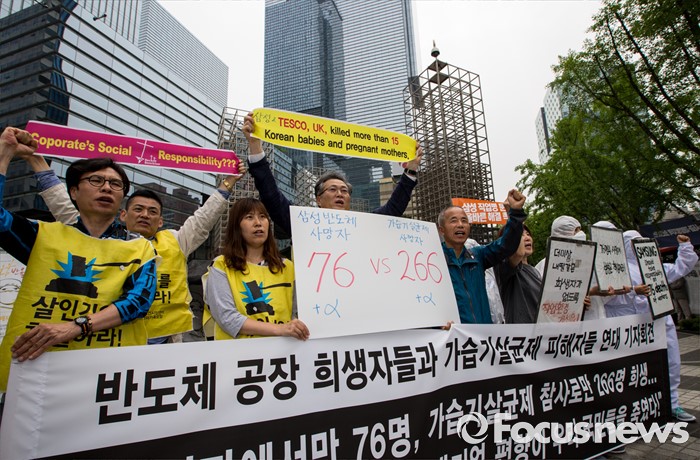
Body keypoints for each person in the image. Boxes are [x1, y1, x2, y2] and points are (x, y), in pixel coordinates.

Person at [0, 127, 157, 392]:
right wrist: (5, 153)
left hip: (106, 377)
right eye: (96, 180)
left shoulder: (139, 248)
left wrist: (75, 327)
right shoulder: (42, 235)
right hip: (33, 370)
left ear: (121, 199)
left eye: (115, 184)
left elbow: (139, 301)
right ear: (74, 192)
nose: (106, 187)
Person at [31, 155, 245, 343]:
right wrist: (37, 161)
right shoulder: (100, 238)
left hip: (167, 341)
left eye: (152, 212)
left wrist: (228, 182)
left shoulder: (176, 241)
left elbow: (204, 219)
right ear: (123, 215)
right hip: (110, 336)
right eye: (138, 209)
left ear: (160, 221)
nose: (145, 215)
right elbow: (63, 207)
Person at [242, 113, 423, 237]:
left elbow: (393, 209)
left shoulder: (364, 225)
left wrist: (411, 170)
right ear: (318, 199)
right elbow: (271, 196)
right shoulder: (302, 223)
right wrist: (255, 146)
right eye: (333, 190)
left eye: (344, 191)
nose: (340, 194)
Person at [606, 231, 698, 423]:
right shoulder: (620, 268)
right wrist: (634, 292)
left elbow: (680, 268)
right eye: (634, 243)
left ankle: (672, 404)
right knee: (638, 369)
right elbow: (610, 298)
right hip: (635, 324)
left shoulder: (652, 265)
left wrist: (685, 247)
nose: (638, 246)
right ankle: (642, 408)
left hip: (661, 318)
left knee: (671, 361)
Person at [205, 198, 309, 340]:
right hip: (238, 352)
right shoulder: (221, 265)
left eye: (262, 217)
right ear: (236, 226)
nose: (258, 223)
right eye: (249, 217)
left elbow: (298, 313)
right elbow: (227, 318)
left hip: (284, 351)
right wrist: (280, 329)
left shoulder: (288, 267)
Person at [438, 189, 526, 324]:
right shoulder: (434, 262)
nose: (460, 225)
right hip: (454, 335)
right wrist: (437, 324)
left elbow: (506, 245)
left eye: (464, 221)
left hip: (483, 334)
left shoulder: (478, 256)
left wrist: (515, 213)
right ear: (441, 230)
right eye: (453, 221)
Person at [494, 223, 541, 323]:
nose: (527, 238)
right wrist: (516, 218)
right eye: (521, 235)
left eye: (528, 234)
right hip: (520, 330)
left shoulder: (535, 271)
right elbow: (518, 254)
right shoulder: (504, 268)